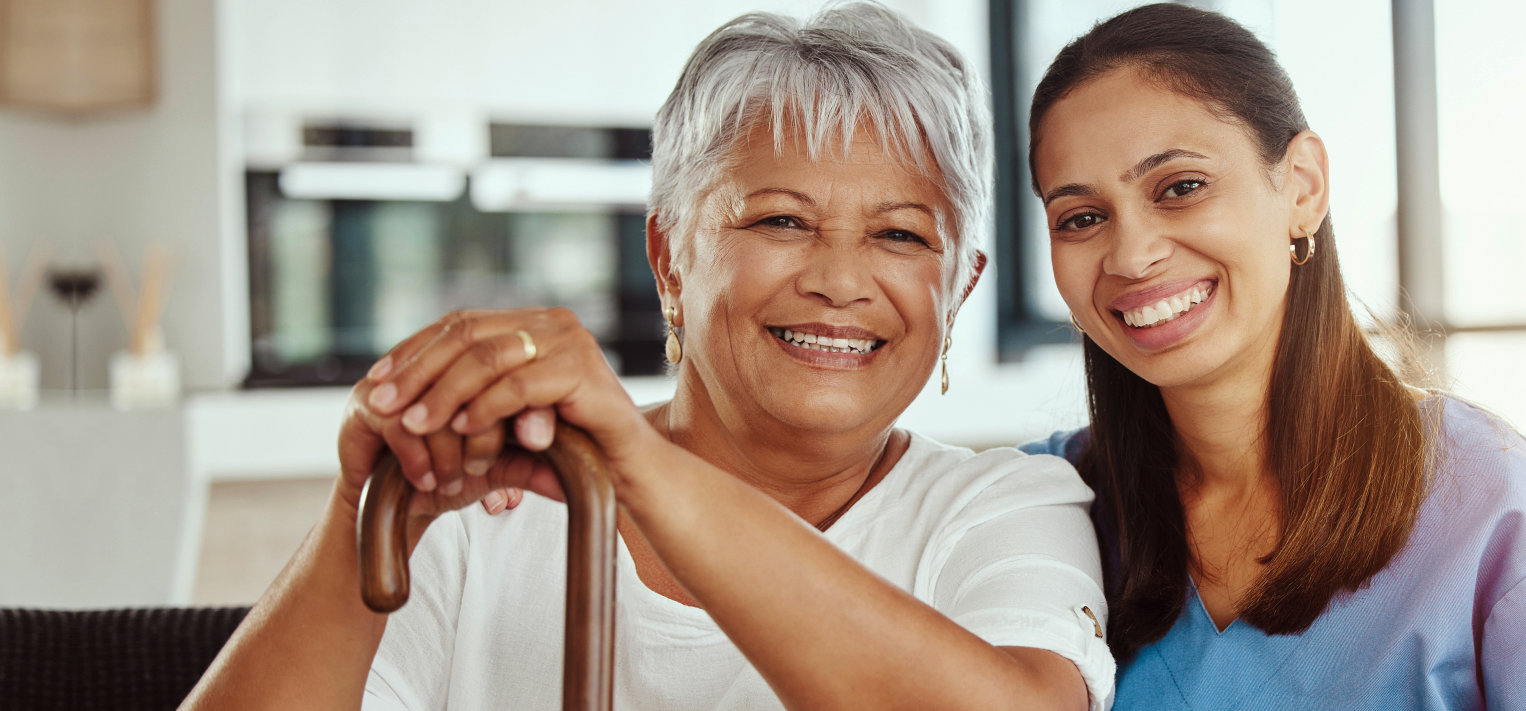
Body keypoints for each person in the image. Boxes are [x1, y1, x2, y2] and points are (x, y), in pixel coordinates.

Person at [182, 5, 1114, 710]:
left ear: (960, 286)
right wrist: (363, 511)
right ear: (669, 254)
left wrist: (640, 470)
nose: (841, 279)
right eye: (781, 220)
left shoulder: (1005, 507)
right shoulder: (486, 513)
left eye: (901, 236)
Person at [1019, 4, 1526, 709]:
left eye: (1180, 187)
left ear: (1302, 187)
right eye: (1081, 218)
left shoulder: (1503, 507)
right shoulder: (1038, 507)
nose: (1131, 254)